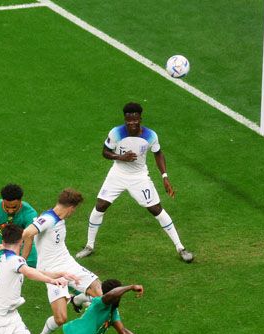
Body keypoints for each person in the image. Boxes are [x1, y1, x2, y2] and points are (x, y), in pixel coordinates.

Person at [75, 102, 194, 263]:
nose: (131, 124)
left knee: (156, 209)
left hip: (139, 177)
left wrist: (164, 176)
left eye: (135, 120)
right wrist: (120, 157)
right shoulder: (116, 133)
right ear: (125, 119)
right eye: (128, 121)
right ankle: (89, 246)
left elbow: (158, 154)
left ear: (140, 119)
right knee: (100, 205)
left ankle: (180, 248)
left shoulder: (151, 136)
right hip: (117, 174)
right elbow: (105, 152)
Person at [21, 189, 103, 334]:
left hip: (67, 263)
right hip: (51, 272)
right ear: (72, 207)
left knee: (98, 291)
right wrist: (23, 260)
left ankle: (77, 300)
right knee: (60, 318)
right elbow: (27, 232)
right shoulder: (49, 218)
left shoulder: (58, 217)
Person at [0, 183, 38, 274]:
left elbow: (29, 240)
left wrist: (22, 261)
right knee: (4, 277)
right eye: (7, 207)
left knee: (46, 271)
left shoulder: (30, 214)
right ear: (3, 201)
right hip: (2, 248)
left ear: (20, 201)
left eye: (14, 207)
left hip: (26, 246)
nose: (10, 210)